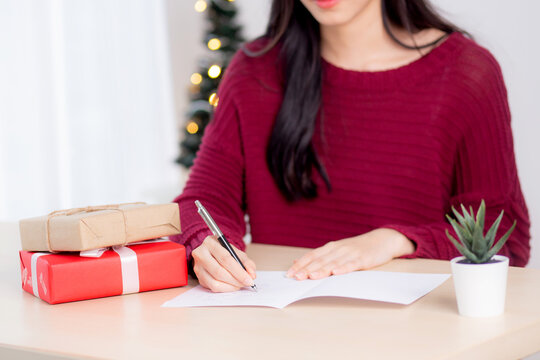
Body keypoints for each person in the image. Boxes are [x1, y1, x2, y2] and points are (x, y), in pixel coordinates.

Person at [171, 0, 530, 292]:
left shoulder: (466, 73)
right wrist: (206, 244)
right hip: (282, 334)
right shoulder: (255, 71)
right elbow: (200, 202)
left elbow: (503, 237)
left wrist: (395, 241)